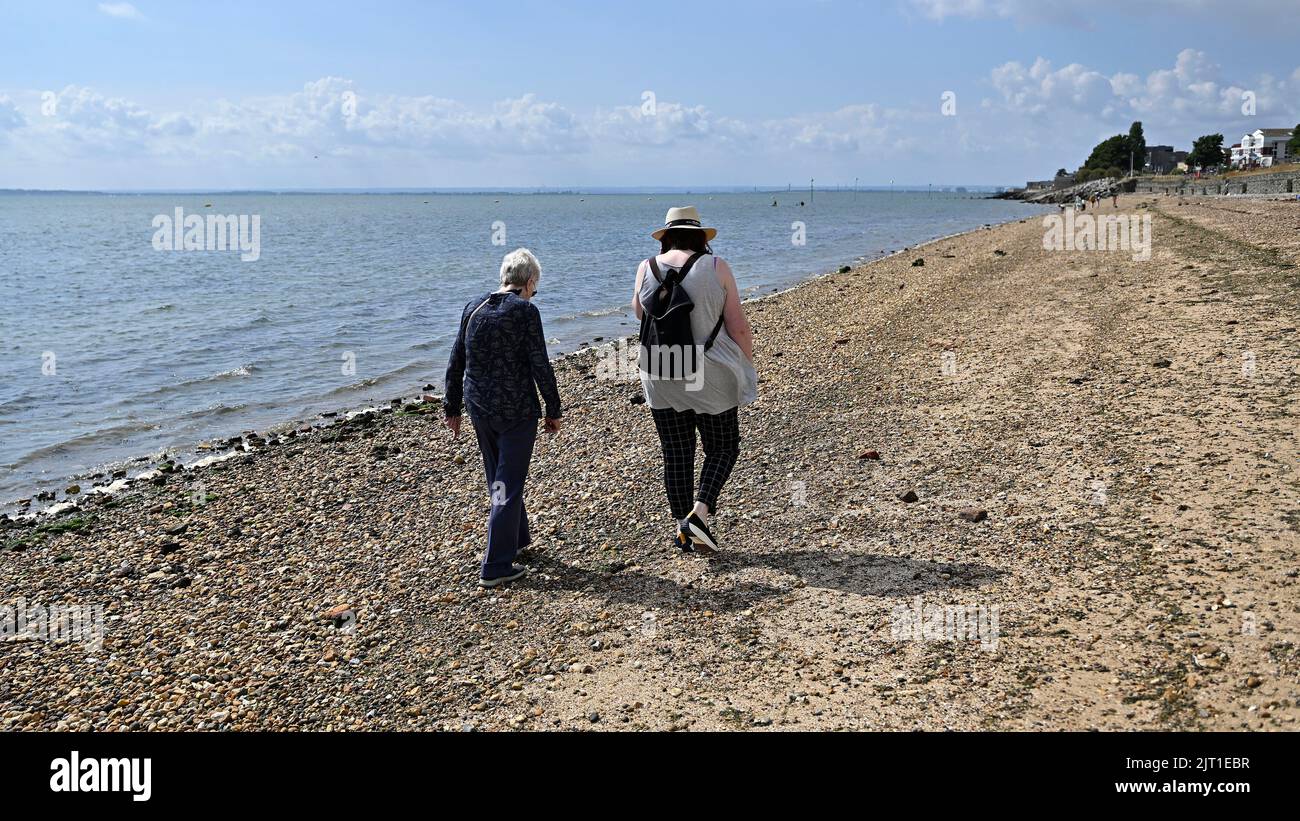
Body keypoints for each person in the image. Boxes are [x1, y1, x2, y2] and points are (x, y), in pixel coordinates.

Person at [633, 206, 757, 553]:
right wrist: (746, 366)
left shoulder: (646, 268)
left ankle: (682, 529)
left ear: (667, 236)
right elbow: (738, 326)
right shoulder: (716, 267)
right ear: (701, 237)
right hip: (707, 372)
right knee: (723, 445)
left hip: (659, 369)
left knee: (676, 451)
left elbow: (641, 314)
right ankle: (698, 514)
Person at [444, 248, 562, 587]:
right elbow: (540, 364)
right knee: (506, 486)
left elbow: (456, 360)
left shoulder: (474, 306)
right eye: (535, 288)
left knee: (500, 479)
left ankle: (517, 539)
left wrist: (452, 407)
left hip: (479, 408)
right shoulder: (525, 311)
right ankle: (495, 566)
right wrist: (553, 409)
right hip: (516, 412)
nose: (534, 293)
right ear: (528, 283)